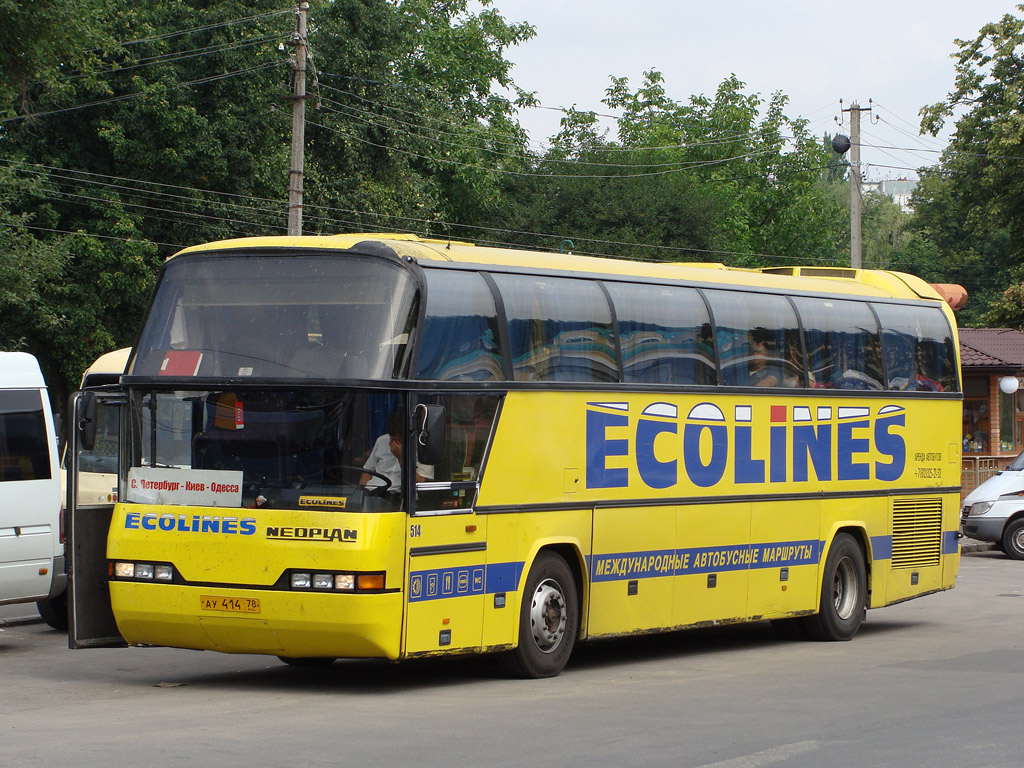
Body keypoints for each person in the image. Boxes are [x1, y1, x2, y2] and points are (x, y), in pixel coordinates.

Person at [360, 411, 433, 493]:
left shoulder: (423, 448)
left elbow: (420, 482)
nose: (390, 443)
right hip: (374, 490)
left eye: (396, 440)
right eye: (391, 437)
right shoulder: (381, 440)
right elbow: (367, 471)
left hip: (400, 494)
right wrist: (361, 492)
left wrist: (401, 458)